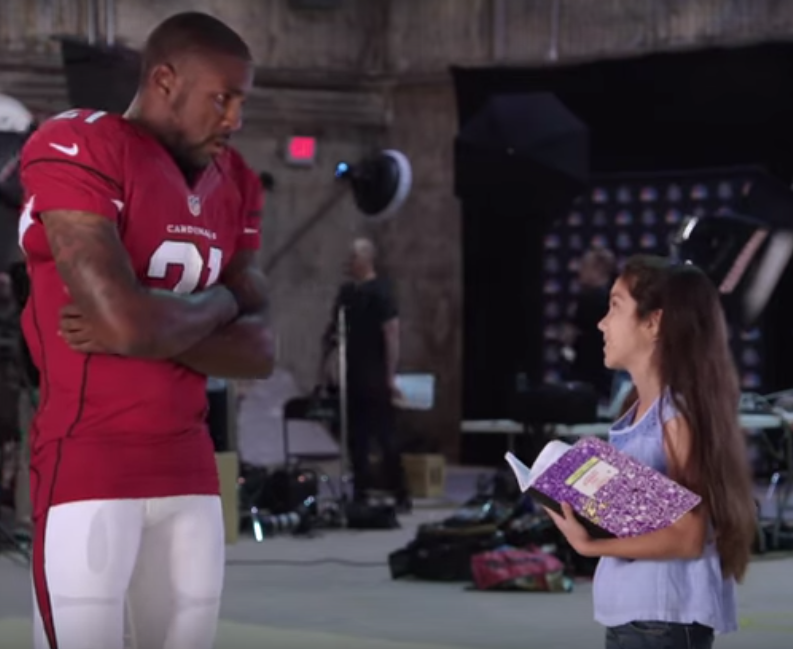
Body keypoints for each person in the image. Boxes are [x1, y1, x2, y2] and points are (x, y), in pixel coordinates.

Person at [17, 12, 274, 649]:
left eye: (241, 101)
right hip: (91, 463)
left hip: (190, 467)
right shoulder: (79, 143)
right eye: (222, 98)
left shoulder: (234, 179)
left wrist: (156, 322)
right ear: (164, 81)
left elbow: (260, 352)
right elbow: (123, 322)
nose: (235, 118)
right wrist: (223, 303)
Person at [546, 255, 756, 648]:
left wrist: (590, 545)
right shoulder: (638, 408)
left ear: (653, 322)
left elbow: (688, 535)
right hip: (640, 614)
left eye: (615, 307)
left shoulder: (676, 415)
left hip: (662, 620)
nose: (602, 323)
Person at [320, 238, 409, 510]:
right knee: (355, 437)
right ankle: (360, 491)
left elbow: (391, 334)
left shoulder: (381, 292)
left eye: (353, 257)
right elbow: (333, 332)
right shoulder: (347, 294)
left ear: (366, 260)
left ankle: (400, 492)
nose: (349, 262)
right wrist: (326, 365)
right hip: (352, 373)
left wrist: (390, 375)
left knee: (384, 435)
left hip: (375, 373)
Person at [562, 247, 616, 400]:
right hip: (609, 377)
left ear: (598, 269)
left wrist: (566, 355)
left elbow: (568, 338)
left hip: (586, 378)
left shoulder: (587, 300)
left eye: (584, 266)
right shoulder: (618, 300)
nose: (579, 271)